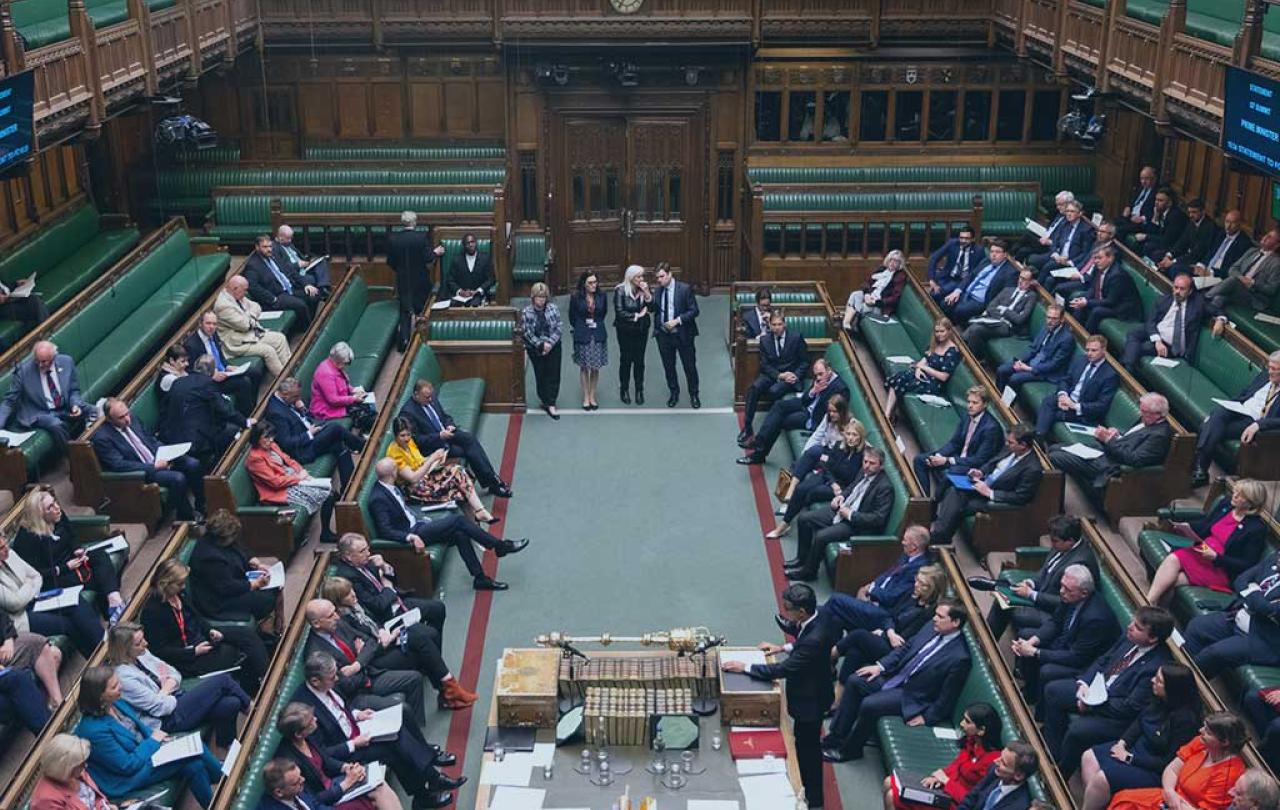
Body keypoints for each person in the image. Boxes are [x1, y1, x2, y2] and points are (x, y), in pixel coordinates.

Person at [289, 652, 461, 810]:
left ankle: (428, 785)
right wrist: (353, 744)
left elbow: (342, 707)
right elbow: (323, 753)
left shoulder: (328, 682)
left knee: (397, 731)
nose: (337, 679)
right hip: (346, 752)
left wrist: (357, 714)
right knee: (392, 747)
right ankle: (429, 785)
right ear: (315, 681)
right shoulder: (306, 713)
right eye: (332, 677)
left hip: (358, 729)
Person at [721, 584, 835, 810]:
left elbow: (782, 670)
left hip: (809, 701)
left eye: (789, 609)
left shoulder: (814, 639)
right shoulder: (821, 614)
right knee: (804, 745)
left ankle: (814, 801)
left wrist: (745, 666)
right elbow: (804, 641)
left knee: (807, 750)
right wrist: (782, 647)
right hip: (816, 686)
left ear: (802, 612)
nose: (786, 613)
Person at [822, 599, 971, 762]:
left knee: (870, 704)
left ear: (955, 622)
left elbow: (948, 696)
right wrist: (880, 666)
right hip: (895, 676)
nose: (934, 618)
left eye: (940, 616)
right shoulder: (931, 627)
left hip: (911, 695)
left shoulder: (960, 657)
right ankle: (835, 738)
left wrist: (928, 717)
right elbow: (905, 649)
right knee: (855, 680)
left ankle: (850, 751)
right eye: (935, 614)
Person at [1041, 606, 1176, 776]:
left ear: (1153, 638)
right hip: (1096, 689)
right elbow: (1103, 660)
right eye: (1133, 622)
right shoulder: (1129, 639)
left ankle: (1061, 774)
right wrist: (1085, 683)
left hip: (1117, 716)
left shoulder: (1156, 665)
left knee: (1078, 730)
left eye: (1138, 627)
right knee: (1053, 691)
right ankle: (1053, 752)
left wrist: (1091, 706)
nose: (1130, 627)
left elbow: (1129, 707)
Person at [74, 666, 224, 808]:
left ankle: (218, 803)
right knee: (196, 748)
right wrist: (153, 742)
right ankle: (227, 780)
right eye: (113, 687)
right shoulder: (93, 731)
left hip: (142, 754)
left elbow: (138, 725)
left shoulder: (116, 701)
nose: (120, 687)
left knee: (194, 766)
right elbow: (126, 766)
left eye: (117, 682)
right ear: (100, 697)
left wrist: (155, 737)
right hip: (125, 778)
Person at [321, 576, 476, 710]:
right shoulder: (344, 620)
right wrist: (381, 641)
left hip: (382, 641)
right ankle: (449, 689)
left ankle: (448, 689)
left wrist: (381, 631)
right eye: (347, 594)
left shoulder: (356, 607)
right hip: (374, 663)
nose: (353, 595)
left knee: (422, 637)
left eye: (351, 590)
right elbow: (368, 648)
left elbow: (372, 627)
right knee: (420, 641)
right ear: (338, 601)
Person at [369, 456, 522, 591]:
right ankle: (499, 546)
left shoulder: (389, 486)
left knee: (459, 534)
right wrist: (410, 537)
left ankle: (480, 578)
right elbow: (385, 531)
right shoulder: (378, 499)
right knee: (459, 521)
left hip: (419, 524)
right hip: (413, 533)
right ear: (392, 473)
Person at [106, 621, 250, 747]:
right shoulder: (124, 678)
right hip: (167, 719)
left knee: (231, 703)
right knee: (222, 680)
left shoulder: (142, 653)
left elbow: (174, 673)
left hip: (178, 699)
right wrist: (166, 689)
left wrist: (165, 689)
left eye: (143, 639)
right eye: (138, 643)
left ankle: (225, 751)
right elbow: (161, 708)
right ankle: (252, 711)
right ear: (124, 650)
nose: (146, 644)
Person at [1079, 664, 1203, 810]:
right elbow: (1140, 721)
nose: (1152, 681)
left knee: (1101, 779)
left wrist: (1129, 758)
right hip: (1134, 749)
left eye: (1159, 681)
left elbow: (1168, 761)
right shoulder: (1158, 698)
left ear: (1172, 688)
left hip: (1151, 770)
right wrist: (1122, 742)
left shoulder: (1186, 721)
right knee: (1089, 757)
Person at [140, 558, 267, 691]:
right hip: (185, 657)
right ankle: (254, 688)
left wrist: (209, 630)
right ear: (165, 583)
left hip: (199, 637)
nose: (183, 587)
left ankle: (265, 679)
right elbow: (160, 651)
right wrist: (193, 652)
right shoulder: (152, 612)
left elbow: (196, 617)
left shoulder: (179, 594)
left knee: (245, 635)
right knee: (230, 652)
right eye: (179, 584)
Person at [302, 597, 428, 727]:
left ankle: (418, 732)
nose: (337, 617)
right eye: (330, 615)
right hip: (356, 697)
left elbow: (370, 642)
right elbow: (345, 685)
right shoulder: (316, 654)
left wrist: (357, 665)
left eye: (335, 611)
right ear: (317, 623)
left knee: (414, 679)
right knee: (403, 708)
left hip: (370, 676)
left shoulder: (338, 625)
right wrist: (362, 657)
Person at [974, 514, 1097, 641]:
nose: (1052, 544)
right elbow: (1046, 569)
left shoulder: (1081, 563)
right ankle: (986, 642)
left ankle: (986, 643)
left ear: (1070, 541)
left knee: (1007, 606)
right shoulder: (1062, 546)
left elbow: (1067, 601)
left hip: (1056, 613)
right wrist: (1031, 582)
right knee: (1002, 597)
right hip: (1042, 595)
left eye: (1055, 541)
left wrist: (1031, 594)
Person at [1146, 478, 1268, 604]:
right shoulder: (1226, 505)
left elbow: (1247, 564)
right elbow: (1205, 524)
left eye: (1240, 495)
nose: (1235, 496)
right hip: (1201, 551)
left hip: (1221, 570)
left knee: (1171, 576)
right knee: (1171, 569)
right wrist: (1186, 527)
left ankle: (1147, 604)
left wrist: (1216, 558)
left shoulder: (1256, 528)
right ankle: (1151, 608)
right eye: (1235, 491)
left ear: (1251, 502)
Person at [1009, 564, 1120, 699]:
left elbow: (1077, 657)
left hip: (1087, 663)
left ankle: (1038, 710)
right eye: (1062, 586)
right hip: (1068, 642)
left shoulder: (1096, 619)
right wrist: (1031, 642)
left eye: (1067, 589)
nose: (1061, 591)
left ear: (1084, 593)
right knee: (1026, 636)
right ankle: (1030, 691)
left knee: (1047, 669)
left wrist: (1036, 652)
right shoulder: (1070, 596)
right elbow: (1055, 622)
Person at [14, 489, 124, 623]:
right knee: (97, 576)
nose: (57, 508)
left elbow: (72, 535)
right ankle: (113, 609)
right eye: (50, 507)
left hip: (72, 560)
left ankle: (114, 599)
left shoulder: (58, 515)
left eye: (55, 502)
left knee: (99, 556)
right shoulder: (27, 538)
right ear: (40, 515)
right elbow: (35, 574)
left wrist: (77, 548)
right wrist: (65, 567)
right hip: (53, 577)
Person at [785, 448, 895, 581]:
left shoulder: (885, 487)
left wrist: (851, 515)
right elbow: (852, 488)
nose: (867, 466)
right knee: (804, 519)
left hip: (855, 523)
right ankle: (801, 559)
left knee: (821, 536)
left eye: (872, 463)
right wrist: (840, 497)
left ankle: (809, 572)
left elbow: (878, 519)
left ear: (881, 466)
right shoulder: (864, 471)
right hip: (842, 509)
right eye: (865, 461)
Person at [92, 397, 205, 523]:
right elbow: (119, 465)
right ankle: (186, 517)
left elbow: (150, 440)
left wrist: (168, 452)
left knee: (193, 464)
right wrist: (154, 467)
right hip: (143, 472)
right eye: (121, 417)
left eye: (127, 414)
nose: (127, 419)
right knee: (177, 478)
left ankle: (202, 505)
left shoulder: (133, 419)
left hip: (158, 457)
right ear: (109, 419)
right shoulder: (102, 438)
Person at [1049, 391, 1173, 505]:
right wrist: (1116, 434)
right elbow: (1131, 439)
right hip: (1106, 453)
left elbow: (1135, 459)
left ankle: (1054, 503)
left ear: (1158, 415)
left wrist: (1108, 440)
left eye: (1145, 412)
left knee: (1055, 456)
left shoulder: (1159, 435)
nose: (1141, 414)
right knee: (1054, 448)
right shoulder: (1147, 420)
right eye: (1141, 410)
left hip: (1111, 466)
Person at [833, 564, 947, 687]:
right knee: (854, 652)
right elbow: (890, 615)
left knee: (858, 635)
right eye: (917, 580)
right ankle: (838, 697)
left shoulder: (929, 613)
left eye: (921, 583)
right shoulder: (912, 595)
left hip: (896, 652)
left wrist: (884, 633)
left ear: (932, 589)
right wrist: (889, 631)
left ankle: (826, 657)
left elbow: (903, 640)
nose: (916, 585)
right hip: (888, 635)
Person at [1107, 712, 1248, 810]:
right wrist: (1169, 792)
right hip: (1170, 795)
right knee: (1123, 800)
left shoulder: (1230, 773)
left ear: (1224, 742)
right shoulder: (1201, 742)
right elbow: (1172, 769)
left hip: (1184, 807)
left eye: (1208, 732)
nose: (1200, 731)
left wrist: (1175, 803)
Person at [0, 525, 103, 659]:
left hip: (37, 599)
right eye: (1, 549)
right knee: (67, 624)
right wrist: (28, 584)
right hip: (21, 617)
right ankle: (95, 660)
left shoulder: (10, 555)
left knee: (76, 604)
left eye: (5, 543)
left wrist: (28, 586)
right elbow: (15, 604)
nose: (6, 548)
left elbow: (37, 576)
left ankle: (104, 646)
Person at [273, 702, 400, 810]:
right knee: (377, 793)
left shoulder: (309, 736)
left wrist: (347, 767)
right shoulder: (289, 762)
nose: (315, 720)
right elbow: (312, 800)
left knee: (378, 784)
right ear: (298, 734)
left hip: (336, 782)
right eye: (310, 721)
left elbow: (326, 760)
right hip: (329, 796)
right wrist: (346, 783)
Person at [929, 425, 1042, 545]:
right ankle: (940, 538)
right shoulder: (1010, 449)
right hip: (980, 484)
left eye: (1011, 442)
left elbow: (1021, 497)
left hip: (993, 499)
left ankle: (938, 537)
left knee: (958, 505)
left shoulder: (1032, 468)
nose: (1007, 444)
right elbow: (992, 463)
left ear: (1023, 445)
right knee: (953, 490)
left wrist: (990, 493)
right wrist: (981, 472)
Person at [398, 379, 512, 498]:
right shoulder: (408, 413)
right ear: (416, 395)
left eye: (431, 396)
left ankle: (492, 481)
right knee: (467, 451)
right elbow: (417, 441)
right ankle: (493, 483)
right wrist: (439, 436)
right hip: (434, 446)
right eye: (427, 397)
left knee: (470, 439)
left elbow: (445, 417)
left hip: (447, 433)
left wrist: (449, 425)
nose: (431, 400)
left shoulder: (431, 398)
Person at [1181, 545, 1280, 679]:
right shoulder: (1274, 559)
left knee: (1214, 653)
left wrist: (1252, 589)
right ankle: (1180, 674)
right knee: (1197, 626)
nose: (1278, 558)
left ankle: (1182, 685)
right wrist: (1256, 596)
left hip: (1263, 639)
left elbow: (1270, 609)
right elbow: (1240, 580)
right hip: (1238, 615)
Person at [885, 702, 1003, 810]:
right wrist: (938, 777)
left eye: (967, 722)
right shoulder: (972, 741)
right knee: (888, 782)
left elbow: (974, 801)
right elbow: (957, 765)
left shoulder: (992, 761)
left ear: (981, 730)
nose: (962, 724)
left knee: (892, 796)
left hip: (956, 803)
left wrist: (946, 781)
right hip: (944, 790)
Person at [1191, 350, 1280, 486]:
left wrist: (1259, 425)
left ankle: (1200, 468)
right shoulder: (1264, 376)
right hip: (1240, 408)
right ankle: (1200, 468)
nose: (1269, 372)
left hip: (1254, 421)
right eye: (1269, 367)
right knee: (1218, 414)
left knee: (1208, 426)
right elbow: (1245, 393)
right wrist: (1229, 406)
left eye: (1274, 369)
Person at [737, 357, 849, 464]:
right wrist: (813, 391)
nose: (818, 378)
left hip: (813, 417)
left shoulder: (840, 389)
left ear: (829, 370)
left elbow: (832, 415)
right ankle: (760, 441)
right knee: (779, 405)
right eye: (816, 375)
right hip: (806, 405)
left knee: (779, 421)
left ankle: (759, 455)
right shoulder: (819, 379)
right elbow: (805, 400)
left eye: (821, 374)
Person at [385, 417, 497, 524]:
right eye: (402, 436)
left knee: (459, 478)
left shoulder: (410, 442)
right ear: (395, 436)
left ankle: (478, 517)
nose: (406, 438)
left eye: (408, 434)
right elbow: (413, 478)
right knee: (459, 480)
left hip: (426, 476)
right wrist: (432, 458)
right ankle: (478, 514)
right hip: (415, 489)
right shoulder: (395, 453)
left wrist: (437, 457)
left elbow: (420, 462)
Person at [768, 414, 863, 539]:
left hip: (842, 487)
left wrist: (838, 488)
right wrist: (832, 482)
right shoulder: (839, 445)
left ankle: (793, 511)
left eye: (854, 435)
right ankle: (784, 525)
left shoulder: (862, 456)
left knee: (811, 492)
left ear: (860, 437)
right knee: (801, 488)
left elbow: (854, 480)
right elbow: (828, 467)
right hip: (830, 479)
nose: (850, 438)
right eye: (848, 434)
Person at [332, 533, 447, 633]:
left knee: (438, 608)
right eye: (362, 551)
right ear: (348, 556)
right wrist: (389, 588)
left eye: (367, 548)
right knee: (427, 633)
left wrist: (384, 566)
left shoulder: (365, 561)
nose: (368, 553)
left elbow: (392, 579)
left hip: (396, 601)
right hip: (386, 616)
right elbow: (376, 606)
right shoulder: (347, 577)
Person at [246, 421, 337, 544]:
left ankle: (326, 530)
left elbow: (288, 460)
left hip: (291, 477)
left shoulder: (271, 445)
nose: (271, 440)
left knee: (332, 492)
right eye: (266, 437)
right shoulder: (255, 459)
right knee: (329, 494)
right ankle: (325, 533)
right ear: (257, 439)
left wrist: (301, 470)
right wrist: (299, 478)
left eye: (272, 436)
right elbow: (275, 482)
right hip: (279, 491)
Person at [188, 509, 280, 629]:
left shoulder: (221, 540)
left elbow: (239, 549)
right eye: (233, 536)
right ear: (222, 537)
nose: (235, 539)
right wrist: (254, 584)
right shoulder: (210, 558)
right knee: (265, 599)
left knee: (274, 587)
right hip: (218, 601)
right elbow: (226, 587)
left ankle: (276, 627)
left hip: (233, 583)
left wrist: (253, 561)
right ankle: (266, 631)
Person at [265, 376, 365, 487]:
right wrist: (309, 434)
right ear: (285, 395)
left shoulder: (287, 399)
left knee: (338, 445)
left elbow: (302, 418)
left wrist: (302, 409)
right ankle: (362, 446)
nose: (298, 398)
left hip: (308, 429)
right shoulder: (275, 413)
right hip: (302, 450)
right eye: (296, 396)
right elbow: (287, 443)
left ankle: (348, 486)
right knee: (335, 428)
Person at [0, 340, 95, 454]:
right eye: (37, 361)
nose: (40, 365)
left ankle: (96, 450)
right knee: (56, 424)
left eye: (44, 361)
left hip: (64, 406)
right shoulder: (23, 372)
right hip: (40, 412)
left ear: (54, 357)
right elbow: (9, 401)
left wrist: (75, 404)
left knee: (95, 411)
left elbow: (74, 390)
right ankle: (72, 457)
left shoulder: (66, 361)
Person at [161, 354, 250, 471]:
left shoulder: (179, 381)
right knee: (233, 430)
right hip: (195, 441)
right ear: (212, 373)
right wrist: (245, 422)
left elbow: (165, 408)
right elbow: (225, 410)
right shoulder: (207, 383)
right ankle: (216, 470)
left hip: (172, 436)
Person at [913, 387, 1003, 499]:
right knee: (920, 460)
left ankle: (935, 503)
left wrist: (947, 460)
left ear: (985, 404)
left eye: (975, 403)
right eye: (969, 402)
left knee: (950, 473)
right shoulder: (968, 416)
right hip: (959, 457)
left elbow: (979, 459)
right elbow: (954, 443)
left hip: (974, 466)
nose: (970, 405)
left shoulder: (991, 428)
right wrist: (938, 455)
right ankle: (924, 500)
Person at [741, 311, 809, 444]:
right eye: (774, 325)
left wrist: (795, 375)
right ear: (770, 326)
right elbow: (764, 365)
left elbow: (805, 361)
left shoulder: (796, 337)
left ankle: (771, 427)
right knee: (754, 388)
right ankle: (747, 427)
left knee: (774, 391)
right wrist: (778, 375)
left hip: (790, 376)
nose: (777, 327)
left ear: (785, 324)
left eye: (779, 324)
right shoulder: (765, 340)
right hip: (773, 374)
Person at [1033, 335, 1119, 439]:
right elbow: (1066, 379)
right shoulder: (1081, 360)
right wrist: (1062, 396)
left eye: (1094, 350)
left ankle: (1038, 439)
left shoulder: (1110, 375)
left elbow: (1102, 405)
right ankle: (1038, 438)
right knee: (1048, 401)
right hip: (1067, 399)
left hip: (1082, 413)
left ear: (1104, 350)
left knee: (1049, 415)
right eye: (1087, 350)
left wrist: (1075, 406)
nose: (1089, 353)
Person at [1120, 273, 1205, 372]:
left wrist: (1221, 319)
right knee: (1132, 334)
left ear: (1190, 291)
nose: (1177, 292)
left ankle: (1126, 372)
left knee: (1138, 348)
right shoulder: (1165, 299)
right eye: (1176, 287)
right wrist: (1157, 340)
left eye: (1182, 289)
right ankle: (1127, 371)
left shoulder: (1197, 305)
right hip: (1157, 334)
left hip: (1170, 346)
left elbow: (1215, 310)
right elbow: (1150, 321)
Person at [0, 578, 63, 709]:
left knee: (53, 652)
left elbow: (3, 617)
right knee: (52, 655)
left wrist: (8, 638)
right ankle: (46, 713)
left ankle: (57, 702)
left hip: (4, 646)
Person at [387, 211, 445, 351]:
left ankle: (404, 341)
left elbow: (391, 262)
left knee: (405, 309)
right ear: (415, 222)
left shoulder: (393, 238)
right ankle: (425, 337)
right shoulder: (420, 237)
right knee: (424, 307)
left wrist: (400, 270)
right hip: (420, 278)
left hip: (403, 279)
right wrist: (436, 252)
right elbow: (428, 258)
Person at [183, 311, 259, 416]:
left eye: (214, 324)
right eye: (208, 323)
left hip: (224, 372)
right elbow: (191, 371)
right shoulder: (191, 345)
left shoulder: (213, 335)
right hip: (210, 381)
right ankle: (246, 417)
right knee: (243, 383)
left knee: (255, 372)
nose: (211, 327)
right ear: (200, 324)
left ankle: (255, 409)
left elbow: (219, 355)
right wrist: (212, 375)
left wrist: (227, 366)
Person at [884, 317, 959, 422]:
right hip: (924, 375)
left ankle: (889, 415)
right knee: (899, 377)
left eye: (942, 331)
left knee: (902, 382)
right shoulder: (935, 343)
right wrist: (919, 369)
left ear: (949, 331)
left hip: (934, 383)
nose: (939, 334)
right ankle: (887, 415)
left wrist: (924, 368)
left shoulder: (952, 352)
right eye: (937, 331)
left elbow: (944, 377)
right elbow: (924, 360)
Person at [213, 275, 292, 375]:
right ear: (235, 288)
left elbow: (257, 306)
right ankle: (283, 379)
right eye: (244, 290)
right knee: (268, 351)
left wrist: (250, 316)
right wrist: (250, 317)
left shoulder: (237, 295)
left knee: (280, 338)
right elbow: (245, 325)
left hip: (251, 334)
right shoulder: (223, 306)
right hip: (237, 344)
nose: (246, 293)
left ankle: (289, 370)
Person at [1206, 226, 1280, 328]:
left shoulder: (1276, 263)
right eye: (1266, 234)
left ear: (1277, 245)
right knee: (1219, 298)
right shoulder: (1252, 251)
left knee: (1233, 280)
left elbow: (1271, 289)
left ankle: (1205, 297)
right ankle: (1207, 325)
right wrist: (1241, 278)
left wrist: (1252, 283)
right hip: (1237, 287)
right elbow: (1233, 268)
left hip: (1255, 298)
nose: (1265, 237)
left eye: (1270, 237)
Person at [244, 234, 320, 329]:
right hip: (278, 295)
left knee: (314, 294)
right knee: (300, 305)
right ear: (257, 247)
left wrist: (306, 284)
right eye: (265, 247)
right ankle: (307, 331)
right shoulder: (253, 265)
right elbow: (253, 287)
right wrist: (272, 299)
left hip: (291, 288)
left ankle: (309, 323)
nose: (269, 249)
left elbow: (291, 271)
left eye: (270, 246)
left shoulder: (274, 255)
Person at [652, 262, 700, 409]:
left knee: (689, 366)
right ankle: (674, 393)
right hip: (664, 335)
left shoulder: (684, 289)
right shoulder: (658, 291)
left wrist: (677, 321)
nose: (659, 280)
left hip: (683, 334)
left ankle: (694, 394)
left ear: (670, 274)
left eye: (662, 276)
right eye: (657, 277)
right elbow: (655, 309)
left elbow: (694, 311)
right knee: (669, 366)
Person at [994, 304, 1073, 391]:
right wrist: (1020, 361)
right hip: (1031, 361)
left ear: (1062, 319)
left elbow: (1054, 365)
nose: (1050, 321)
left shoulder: (1067, 338)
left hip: (1045, 371)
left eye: (1054, 318)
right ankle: (999, 398)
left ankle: (1006, 403)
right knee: (1001, 370)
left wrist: (1029, 368)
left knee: (1014, 379)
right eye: (1048, 317)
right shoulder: (1046, 327)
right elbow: (1033, 348)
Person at [960, 267, 1038, 354]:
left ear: (1031, 282)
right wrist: (1001, 317)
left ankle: (974, 357)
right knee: (974, 325)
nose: (1020, 281)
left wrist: (1004, 310)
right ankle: (963, 350)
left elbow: (1020, 319)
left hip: (1007, 327)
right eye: (1020, 277)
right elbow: (991, 306)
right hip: (994, 320)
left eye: (1024, 279)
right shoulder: (1007, 290)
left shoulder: (1031, 296)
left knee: (976, 328)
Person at [1067, 244, 1141, 332]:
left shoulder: (1117, 275)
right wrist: (1084, 299)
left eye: (1099, 258)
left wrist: (1087, 302)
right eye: (1094, 258)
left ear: (1110, 258)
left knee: (1097, 311)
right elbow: (1093, 288)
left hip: (1123, 308)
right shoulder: (1098, 268)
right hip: (1106, 299)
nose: (1096, 261)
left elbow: (1111, 301)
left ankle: (1086, 337)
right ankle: (1074, 332)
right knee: (1079, 300)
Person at [941, 240, 1016, 324]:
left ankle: (956, 329)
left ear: (1005, 254)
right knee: (945, 303)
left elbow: (1005, 295)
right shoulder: (986, 261)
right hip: (966, 294)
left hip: (980, 301)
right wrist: (957, 291)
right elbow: (970, 276)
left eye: (997, 252)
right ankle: (950, 326)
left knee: (960, 310)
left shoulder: (1010, 272)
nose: (993, 255)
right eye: (991, 252)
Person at [30, 733, 113, 810]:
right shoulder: (45, 800)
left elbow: (96, 798)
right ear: (66, 768)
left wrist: (103, 806)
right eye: (80, 764)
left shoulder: (77, 772)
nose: (85, 766)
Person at [953, 742, 1038, 810]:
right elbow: (971, 798)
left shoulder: (1019, 805)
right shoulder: (995, 771)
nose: (995, 761)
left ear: (1018, 776)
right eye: (1000, 757)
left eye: (1003, 763)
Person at [521, 282, 563, 418]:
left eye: (544, 297)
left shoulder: (553, 309)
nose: (541, 300)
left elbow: (559, 328)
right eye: (539, 297)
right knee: (541, 375)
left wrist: (549, 344)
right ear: (533, 298)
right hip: (536, 348)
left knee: (554, 374)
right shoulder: (527, 312)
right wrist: (541, 345)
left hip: (553, 346)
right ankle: (544, 399)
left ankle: (551, 402)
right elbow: (527, 332)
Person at [568, 270, 608, 411]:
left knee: (595, 367)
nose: (593, 285)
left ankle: (592, 395)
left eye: (595, 282)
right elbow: (572, 317)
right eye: (590, 283)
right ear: (584, 284)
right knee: (584, 366)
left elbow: (603, 313)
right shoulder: (576, 297)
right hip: (582, 333)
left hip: (597, 333)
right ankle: (585, 396)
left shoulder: (602, 296)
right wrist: (581, 326)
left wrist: (594, 323)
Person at [1174, 209, 1251, 281]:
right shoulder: (1221, 234)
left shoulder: (1244, 243)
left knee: (1189, 282)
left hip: (1217, 276)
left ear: (1240, 224)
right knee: (1176, 269)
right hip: (1205, 269)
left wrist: (1211, 272)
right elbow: (1209, 252)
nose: (1228, 226)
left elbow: (1232, 268)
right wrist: (1201, 266)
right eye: (1227, 222)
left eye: (1232, 223)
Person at [1046, 220, 1118, 297]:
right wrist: (1075, 269)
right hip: (1079, 272)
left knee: (1059, 287)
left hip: (1088, 282)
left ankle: (1055, 307)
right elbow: (1086, 260)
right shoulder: (1096, 243)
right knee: (1050, 279)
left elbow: (1101, 274)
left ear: (1111, 235)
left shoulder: (1113, 252)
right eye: (1098, 231)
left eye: (1103, 232)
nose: (1099, 234)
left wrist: (1081, 277)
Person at [613, 265, 652, 405]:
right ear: (630, 277)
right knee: (626, 360)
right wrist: (637, 315)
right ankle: (624, 389)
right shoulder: (620, 290)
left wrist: (647, 293)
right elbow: (619, 312)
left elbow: (653, 308)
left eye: (642, 276)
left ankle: (639, 390)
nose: (641, 279)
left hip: (641, 330)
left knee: (639, 360)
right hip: (625, 331)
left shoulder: (644, 289)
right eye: (638, 276)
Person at [843, 250, 909, 332]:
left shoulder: (899, 277)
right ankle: (848, 324)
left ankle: (847, 323)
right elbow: (867, 282)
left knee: (859, 306)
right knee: (855, 294)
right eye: (891, 259)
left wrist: (875, 302)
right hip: (869, 297)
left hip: (879, 306)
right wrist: (867, 294)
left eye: (896, 261)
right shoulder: (882, 270)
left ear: (900, 264)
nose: (892, 263)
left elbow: (895, 298)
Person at [310, 342, 370, 425]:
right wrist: (353, 398)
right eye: (345, 363)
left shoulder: (334, 365)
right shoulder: (325, 373)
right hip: (326, 409)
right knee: (364, 409)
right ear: (338, 361)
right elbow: (333, 400)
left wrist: (353, 390)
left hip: (339, 401)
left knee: (367, 401)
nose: (346, 366)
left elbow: (342, 385)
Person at [1029, 200, 1095, 275]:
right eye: (1067, 211)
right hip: (1058, 256)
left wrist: (1069, 262)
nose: (1069, 214)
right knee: (1032, 259)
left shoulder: (1086, 230)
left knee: (1047, 267)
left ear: (1080, 213)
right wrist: (1055, 253)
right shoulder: (1064, 224)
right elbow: (1055, 242)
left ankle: (1037, 284)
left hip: (1069, 261)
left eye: (1072, 211)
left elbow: (1085, 253)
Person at [926, 228, 986, 306]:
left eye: (967, 238)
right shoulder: (952, 243)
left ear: (973, 239)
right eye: (961, 238)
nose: (963, 240)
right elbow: (934, 258)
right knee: (933, 294)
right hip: (947, 276)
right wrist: (931, 279)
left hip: (962, 280)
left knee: (937, 294)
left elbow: (979, 270)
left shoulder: (979, 250)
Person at [1155, 198, 1216, 272]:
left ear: (1203, 212)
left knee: (1173, 268)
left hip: (1196, 261)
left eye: (1194, 212)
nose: (1190, 215)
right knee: (1158, 255)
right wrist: (1169, 256)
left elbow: (1197, 253)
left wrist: (1173, 261)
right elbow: (1182, 242)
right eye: (1189, 212)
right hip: (1185, 255)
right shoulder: (1192, 222)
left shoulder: (1209, 227)